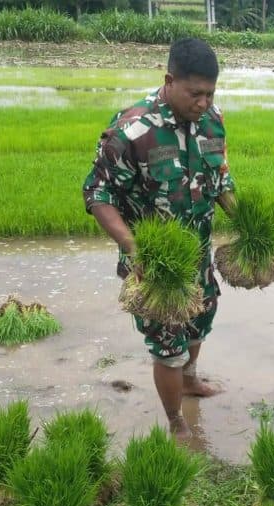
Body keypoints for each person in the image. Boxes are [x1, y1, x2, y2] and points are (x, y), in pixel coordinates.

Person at [82, 38, 235, 440]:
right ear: (169, 81)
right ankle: (176, 422)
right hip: (155, 267)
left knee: (200, 323)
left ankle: (189, 380)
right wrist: (133, 248)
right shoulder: (132, 130)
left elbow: (220, 179)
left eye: (210, 93)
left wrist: (249, 222)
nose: (203, 103)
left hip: (198, 255)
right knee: (167, 343)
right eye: (195, 93)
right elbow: (97, 195)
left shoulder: (212, 121)